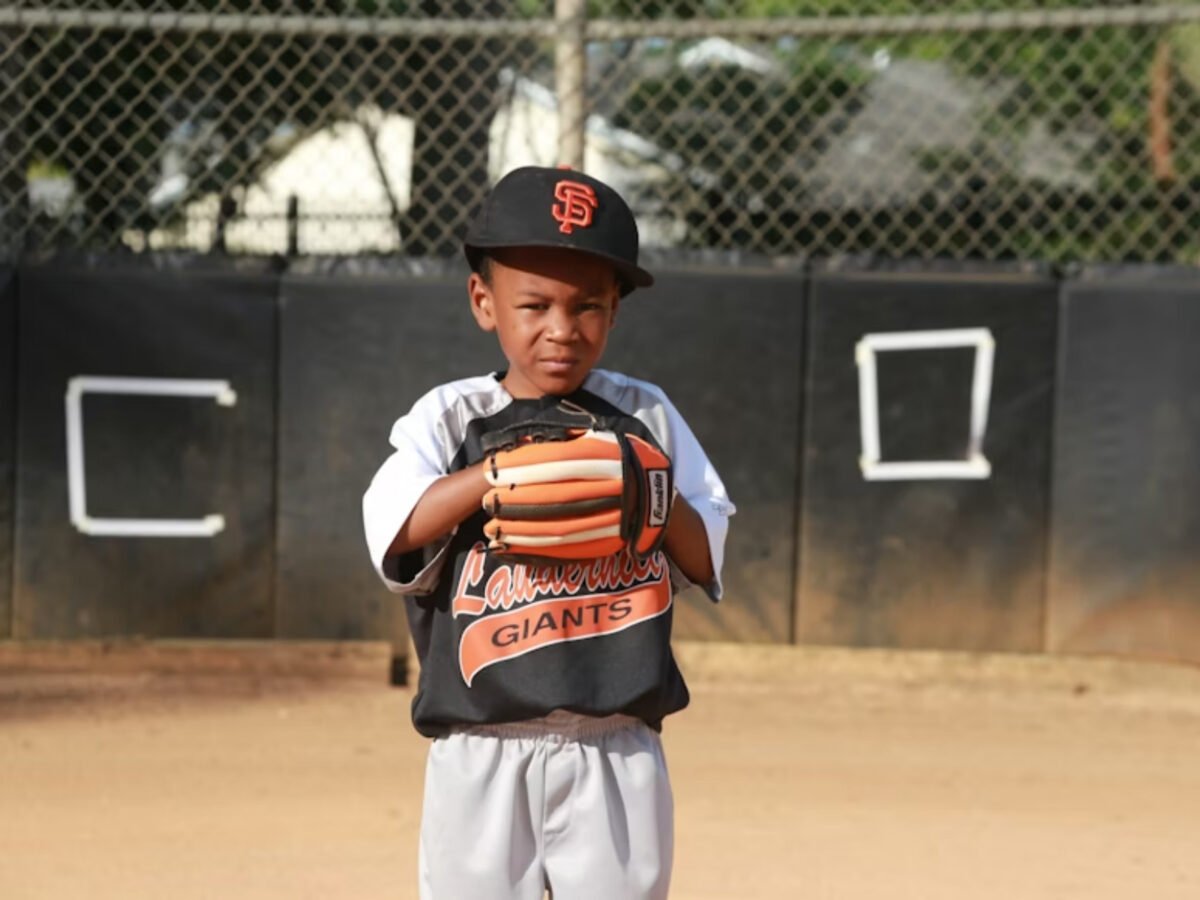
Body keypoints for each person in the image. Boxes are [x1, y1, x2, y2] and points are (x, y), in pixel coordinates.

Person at [362, 165, 735, 900]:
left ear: (616, 312)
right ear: (484, 302)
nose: (562, 329)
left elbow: (706, 549)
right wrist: (497, 480)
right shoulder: (449, 417)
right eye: (533, 304)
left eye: (588, 306)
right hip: (480, 743)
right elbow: (394, 527)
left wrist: (648, 491)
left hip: (616, 741)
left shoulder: (646, 417)